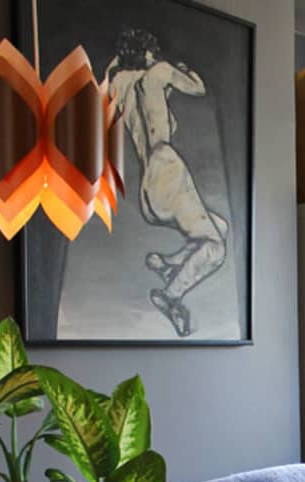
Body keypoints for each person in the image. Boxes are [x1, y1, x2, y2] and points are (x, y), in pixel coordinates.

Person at [106, 28, 229, 337]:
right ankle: (169, 295)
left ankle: (170, 263)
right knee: (215, 248)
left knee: (220, 228)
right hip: (167, 167)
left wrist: (122, 59)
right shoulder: (159, 72)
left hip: (149, 189)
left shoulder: (119, 83)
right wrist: (184, 70)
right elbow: (198, 88)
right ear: (149, 53)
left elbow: (115, 76)